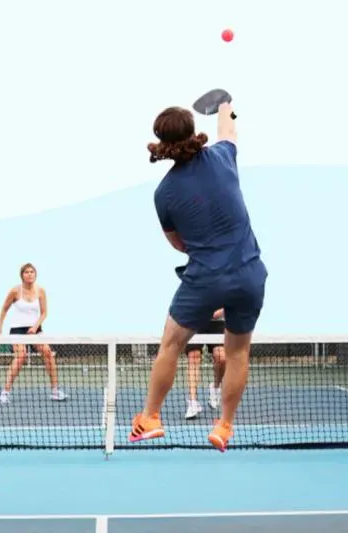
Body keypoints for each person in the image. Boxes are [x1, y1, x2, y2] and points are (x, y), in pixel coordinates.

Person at [128, 101, 268, 452]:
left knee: (171, 345)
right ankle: (224, 426)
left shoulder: (164, 194)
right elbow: (229, 130)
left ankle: (151, 418)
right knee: (237, 353)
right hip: (251, 273)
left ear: (162, 141)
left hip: (205, 277)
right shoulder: (223, 157)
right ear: (192, 132)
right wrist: (225, 105)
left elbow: (179, 244)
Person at [0, 263, 67, 404]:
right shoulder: (15, 291)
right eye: (27, 272)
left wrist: (35, 327)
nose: (30, 274)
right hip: (17, 329)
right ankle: (5, 393)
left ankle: (54, 391)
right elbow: (4, 309)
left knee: (47, 352)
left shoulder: (40, 291)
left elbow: (44, 312)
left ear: (35, 274)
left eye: (32, 272)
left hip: (35, 329)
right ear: (22, 275)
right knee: (21, 356)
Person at [183, 308, 226, 419]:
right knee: (193, 355)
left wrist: (220, 311)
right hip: (195, 319)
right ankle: (193, 402)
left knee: (221, 357)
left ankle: (216, 387)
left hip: (217, 321)